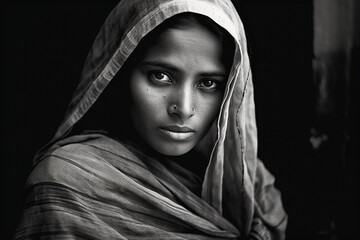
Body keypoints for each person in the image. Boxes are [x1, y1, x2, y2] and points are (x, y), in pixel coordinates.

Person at [14, 0, 287, 239]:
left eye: (208, 82)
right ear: (121, 71)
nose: (183, 108)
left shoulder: (252, 187)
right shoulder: (67, 183)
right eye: (161, 76)